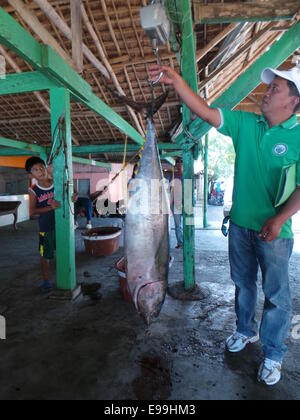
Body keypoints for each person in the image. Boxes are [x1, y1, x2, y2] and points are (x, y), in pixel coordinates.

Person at [149, 64, 300, 386]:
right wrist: (176, 81)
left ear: (293, 101)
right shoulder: (247, 123)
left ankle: (273, 353)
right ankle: (246, 331)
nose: (267, 92)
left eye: (276, 89)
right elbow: (205, 112)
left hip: (276, 233)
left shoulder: (299, 137)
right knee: (243, 285)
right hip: (241, 227)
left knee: (277, 296)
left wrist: (279, 218)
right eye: (269, 86)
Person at [26, 157, 61, 292]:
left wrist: (73, 196)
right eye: (35, 169)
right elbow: (32, 212)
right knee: (44, 256)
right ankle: (46, 281)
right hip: (45, 229)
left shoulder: (57, 183)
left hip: (62, 226)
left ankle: (66, 276)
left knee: (64, 252)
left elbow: (70, 194)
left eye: (41, 167)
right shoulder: (33, 190)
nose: (40, 170)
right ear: (31, 175)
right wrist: (50, 208)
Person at [170, 159, 184, 249]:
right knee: (178, 225)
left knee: (187, 224)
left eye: (181, 163)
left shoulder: (188, 175)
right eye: (178, 163)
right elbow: (171, 191)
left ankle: (185, 242)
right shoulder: (174, 176)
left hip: (186, 203)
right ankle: (180, 242)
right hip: (176, 204)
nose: (180, 165)